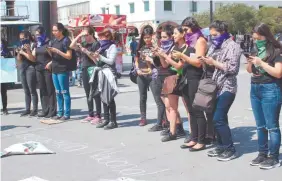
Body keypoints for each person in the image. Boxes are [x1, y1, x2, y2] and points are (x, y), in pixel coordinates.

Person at [202, 20, 242, 161]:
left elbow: (232, 69)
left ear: (224, 32)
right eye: (211, 35)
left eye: (216, 34)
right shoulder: (214, 45)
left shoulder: (233, 46)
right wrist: (206, 61)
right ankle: (221, 145)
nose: (213, 38)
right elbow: (212, 62)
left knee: (218, 118)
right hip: (215, 85)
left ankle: (230, 149)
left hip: (227, 86)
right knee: (219, 118)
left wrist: (214, 63)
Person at [246, 23, 282, 169]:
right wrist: (250, 63)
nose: (256, 41)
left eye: (258, 38)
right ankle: (262, 153)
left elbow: (278, 73)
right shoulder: (255, 49)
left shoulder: (276, 50)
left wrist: (261, 63)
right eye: (254, 39)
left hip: (270, 88)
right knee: (260, 126)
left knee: (271, 126)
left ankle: (273, 157)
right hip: (255, 87)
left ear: (265, 35)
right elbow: (249, 70)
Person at [175, 17, 208, 151]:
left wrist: (182, 56)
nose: (185, 32)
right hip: (187, 77)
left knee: (197, 110)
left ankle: (201, 140)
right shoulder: (190, 41)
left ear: (193, 28)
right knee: (191, 110)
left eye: (186, 29)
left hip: (195, 77)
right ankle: (193, 137)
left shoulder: (200, 41)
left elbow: (198, 63)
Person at [156, 26, 188, 142]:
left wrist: (164, 56)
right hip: (171, 78)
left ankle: (192, 134)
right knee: (170, 106)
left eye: (175, 33)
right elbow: (165, 65)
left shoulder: (186, 47)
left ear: (182, 34)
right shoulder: (174, 47)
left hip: (183, 78)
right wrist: (161, 55)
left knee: (188, 108)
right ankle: (172, 132)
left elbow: (178, 65)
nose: (173, 36)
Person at [87, 28, 118, 129]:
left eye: (101, 36)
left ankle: (113, 121)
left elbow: (111, 61)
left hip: (109, 73)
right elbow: (98, 62)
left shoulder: (112, 46)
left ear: (107, 36)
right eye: (99, 37)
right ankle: (106, 119)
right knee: (103, 97)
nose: (99, 39)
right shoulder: (100, 48)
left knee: (109, 97)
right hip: (101, 72)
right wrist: (94, 57)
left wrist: (99, 57)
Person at [70, 27, 102, 124]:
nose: (85, 37)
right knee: (88, 93)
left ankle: (99, 115)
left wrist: (86, 52)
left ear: (92, 34)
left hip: (93, 69)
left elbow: (96, 60)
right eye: (84, 35)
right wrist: (79, 35)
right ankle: (90, 114)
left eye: (86, 35)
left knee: (95, 93)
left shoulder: (96, 44)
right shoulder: (84, 44)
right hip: (84, 68)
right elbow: (71, 46)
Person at [48, 23, 73, 120]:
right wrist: (50, 51)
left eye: (55, 30)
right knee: (58, 92)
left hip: (63, 69)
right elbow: (53, 56)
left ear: (61, 30)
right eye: (53, 30)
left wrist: (57, 51)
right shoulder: (53, 41)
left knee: (64, 91)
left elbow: (69, 56)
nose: (54, 32)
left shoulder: (66, 40)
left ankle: (67, 114)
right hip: (54, 68)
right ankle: (60, 112)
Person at [31, 26, 57, 118]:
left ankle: (52, 110)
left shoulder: (49, 42)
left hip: (48, 69)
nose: (37, 36)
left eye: (39, 34)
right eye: (36, 35)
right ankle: (45, 109)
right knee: (42, 89)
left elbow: (55, 57)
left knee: (50, 89)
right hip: (39, 68)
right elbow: (33, 58)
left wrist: (50, 63)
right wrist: (27, 52)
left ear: (43, 33)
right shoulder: (36, 44)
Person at [16, 31, 38, 117]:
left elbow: (33, 59)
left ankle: (35, 109)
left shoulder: (33, 45)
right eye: (20, 39)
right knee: (26, 90)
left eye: (23, 38)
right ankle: (27, 109)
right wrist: (19, 53)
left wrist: (26, 51)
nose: (22, 40)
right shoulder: (21, 45)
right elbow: (19, 59)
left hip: (30, 68)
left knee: (32, 90)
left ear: (27, 37)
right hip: (22, 68)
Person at [1, 39, 12, 115]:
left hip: (3, 73)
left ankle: (5, 108)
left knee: (3, 91)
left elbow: (11, 59)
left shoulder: (6, 50)